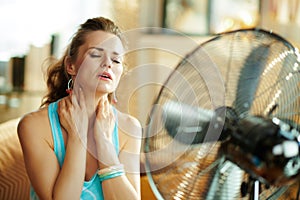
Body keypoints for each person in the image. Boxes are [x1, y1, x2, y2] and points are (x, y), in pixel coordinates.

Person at [17, 16, 142, 200]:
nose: (108, 63)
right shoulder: (34, 126)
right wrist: (78, 136)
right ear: (71, 66)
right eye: (96, 54)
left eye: (116, 61)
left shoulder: (130, 128)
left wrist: (105, 145)